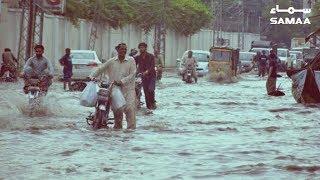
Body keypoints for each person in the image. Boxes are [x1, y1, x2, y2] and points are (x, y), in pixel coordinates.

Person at [90, 43, 137, 129]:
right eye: (122, 49)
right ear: (117, 50)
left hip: (128, 89)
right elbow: (101, 68)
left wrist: (121, 81)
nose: (124, 50)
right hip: (115, 89)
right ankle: (117, 133)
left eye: (125, 49)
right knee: (117, 111)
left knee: (129, 110)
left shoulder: (131, 60)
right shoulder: (112, 61)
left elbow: (133, 74)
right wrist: (92, 76)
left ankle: (131, 133)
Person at [135, 42, 157, 110]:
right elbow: (133, 64)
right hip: (143, 77)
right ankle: (148, 107)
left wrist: (147, 71)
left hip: (152, 76)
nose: (141, 49)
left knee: (151, 89)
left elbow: (152, 66)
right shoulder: (138, 57)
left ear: (145, 48)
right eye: (140, 48)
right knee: (146, 92)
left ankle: (153, 102)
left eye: (143, 47)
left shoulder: (151, 56)